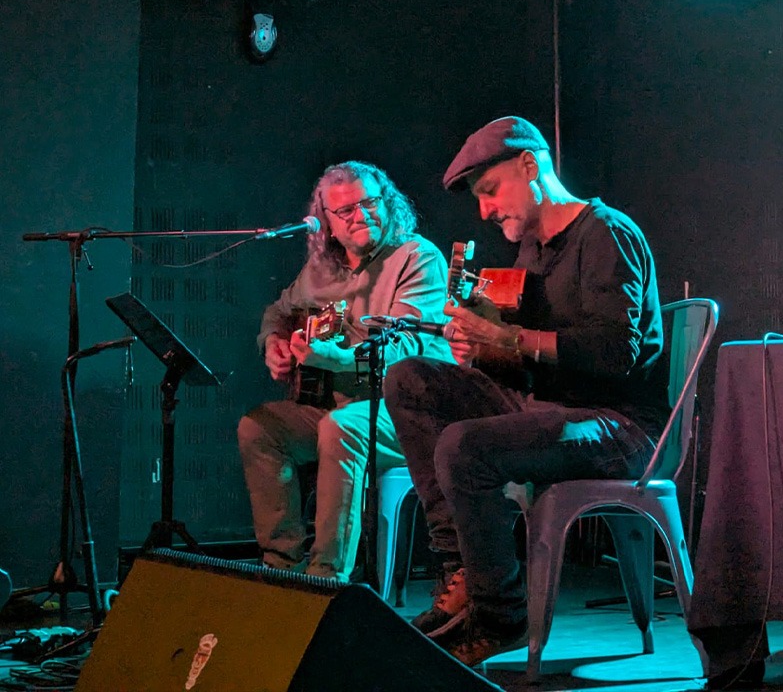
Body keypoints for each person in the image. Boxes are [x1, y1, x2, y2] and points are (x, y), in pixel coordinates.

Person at [383, 116, 670, 666]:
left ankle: (501, 614)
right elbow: (528, 370)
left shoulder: (607, 232)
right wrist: (483, 352)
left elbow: (616, 355)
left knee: (464, 445)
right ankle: (465, 570)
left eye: (490, 191)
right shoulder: (532, 252)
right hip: (553, 409)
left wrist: (508, 337)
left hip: (620, 424)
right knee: (411, 380)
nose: (485, 211)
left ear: (530, 166)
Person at [238, 160, 453, 583]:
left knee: (341, 428)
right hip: (338, 406)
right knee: (258, 428)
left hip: (405, 411)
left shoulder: (417, 257)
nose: (360, 216)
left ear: (387, 203)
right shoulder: (320, 268)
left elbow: (404, 347)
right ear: (326, 223)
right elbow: (276, 314)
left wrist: (331, 359)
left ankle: (325, 578)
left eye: (369, 202)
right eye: (346, 211)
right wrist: (274, 345)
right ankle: (282, 566)